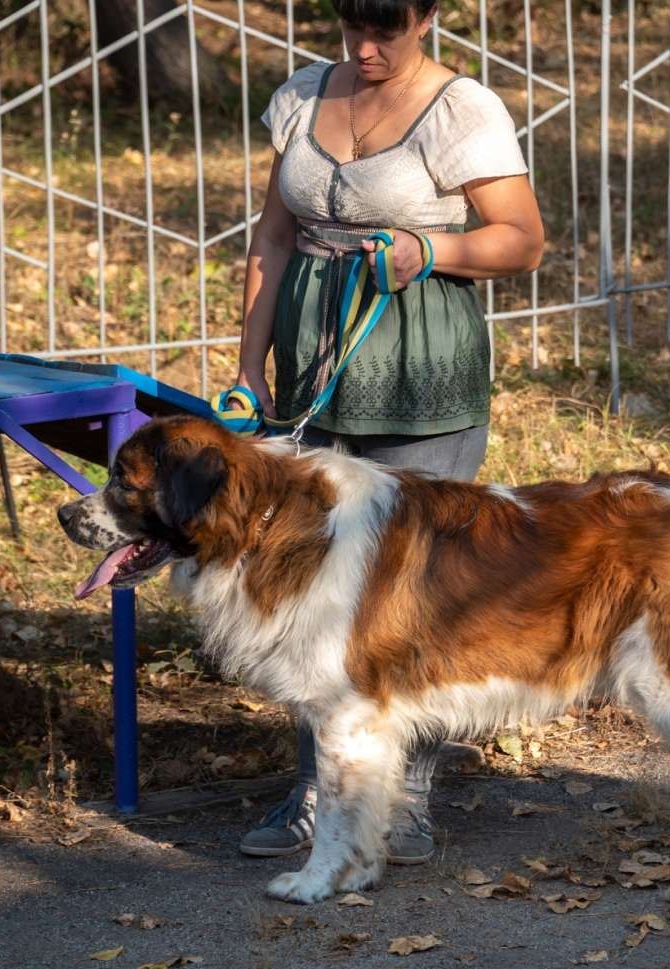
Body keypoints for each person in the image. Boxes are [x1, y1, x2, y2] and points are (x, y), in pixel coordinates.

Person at [232, 0, 545, 864]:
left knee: (420, 586)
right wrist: (248, 365)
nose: (367, 52)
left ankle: (408, 795)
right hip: (313, 368)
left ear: (429, 18)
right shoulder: (300, 97)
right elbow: (275, 234)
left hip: (419, 371)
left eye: (388, 34)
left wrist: (428, 250)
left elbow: (523, 241)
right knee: (306, 585)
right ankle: (317, 791)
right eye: (353, 32)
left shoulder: (462, 110)